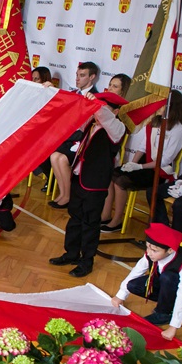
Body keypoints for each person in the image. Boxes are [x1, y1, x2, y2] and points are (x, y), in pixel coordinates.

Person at [49, 91, 127, 277]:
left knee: (90, 223)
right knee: (74, 218)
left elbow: (103, 114)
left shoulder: (117, 128)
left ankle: (86, 262)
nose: (95, 109)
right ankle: (71, 254)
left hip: (95, 184)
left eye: (102, 105)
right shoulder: (91, 123)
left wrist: (94, 102)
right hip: (79, 177)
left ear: (115, 111)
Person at [102, 90, 182, 232]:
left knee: (121, 181)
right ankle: (105, 215)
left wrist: (139, 167)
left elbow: (165, 160)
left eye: (162, 105)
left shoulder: (178, 129)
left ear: (171, 107)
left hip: (158, 171)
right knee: (112, 175)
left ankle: (117, 220)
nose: (158, 108)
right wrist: (131, 164)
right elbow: (143, 147)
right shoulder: (154, 122)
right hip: (144, 164)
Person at [112, 223, 182, 340]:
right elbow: (136, 271)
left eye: (154, 250)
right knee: (132, 285)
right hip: (164, 281)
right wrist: (120, 295)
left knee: (168, 277)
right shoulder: (151, 254)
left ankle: (164, 314)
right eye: (147, 247)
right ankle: (167, 300)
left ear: (170, 250)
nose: (149, 252)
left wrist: (173, 327)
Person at [48, 61, 100, 208]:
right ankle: (63, 193)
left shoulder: (95, 98)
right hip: (69, 139)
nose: (77, 79)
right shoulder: (73, 94)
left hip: (83, 142)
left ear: (92, 77)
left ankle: (69, 196)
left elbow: (89, 127)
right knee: (54, 156)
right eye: (77, 75)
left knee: (62, 158)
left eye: (82, 76)